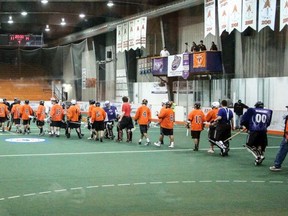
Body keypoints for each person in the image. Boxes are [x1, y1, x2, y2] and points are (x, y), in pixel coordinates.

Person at [270, 106, 288, 171]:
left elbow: (287, 129)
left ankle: (277, 165)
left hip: (287, 138)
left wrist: (286, 137)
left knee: (282, 151)